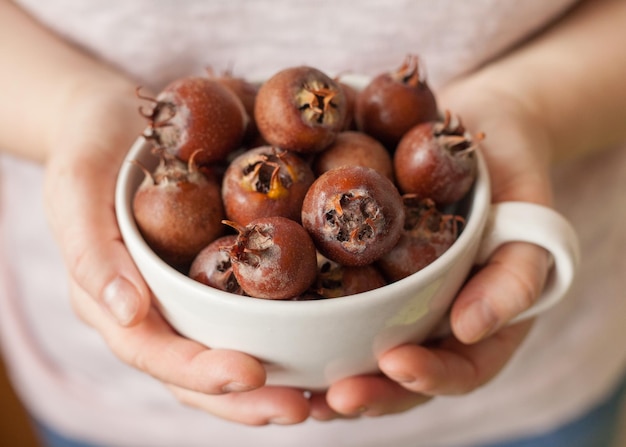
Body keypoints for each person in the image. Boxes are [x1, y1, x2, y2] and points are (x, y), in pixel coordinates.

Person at [0, 0, 625, 446]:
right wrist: (66, 109)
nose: (316, 106)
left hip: (533, 396)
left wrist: (534, 109)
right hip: (115, 408)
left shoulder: (352, 184)